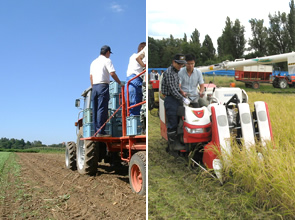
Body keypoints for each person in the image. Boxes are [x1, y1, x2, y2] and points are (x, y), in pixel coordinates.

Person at [90, 45, 122, 137]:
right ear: (107, 52)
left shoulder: (93, 62)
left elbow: (91, 77)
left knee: (95, 109)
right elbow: (112, 73)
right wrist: (120, 83)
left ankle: (96, 131)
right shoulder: (107, 60)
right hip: (103, 86)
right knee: (102, 109)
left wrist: (93, 87)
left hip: (94, 86)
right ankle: (101, 132)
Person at [161, 54, 190, 151]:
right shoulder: (169, 72)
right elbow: (172, 90)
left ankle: (178, 142)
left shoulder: (176, 72)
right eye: (179, 64)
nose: (180, 66)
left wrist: (181, 91)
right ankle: (172, 146)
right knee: (172, 122)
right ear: (174, 62)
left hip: (176, 98)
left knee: (179, 121)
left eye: (182, 64)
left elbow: (176, 87)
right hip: (170, 99)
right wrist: (183, 98)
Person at [125, 42, 146, 116]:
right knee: (136, 106)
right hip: (136, 81)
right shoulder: (141, 57)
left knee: (131, 107)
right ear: (142, 49)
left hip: (129, 82)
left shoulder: (132, 56)